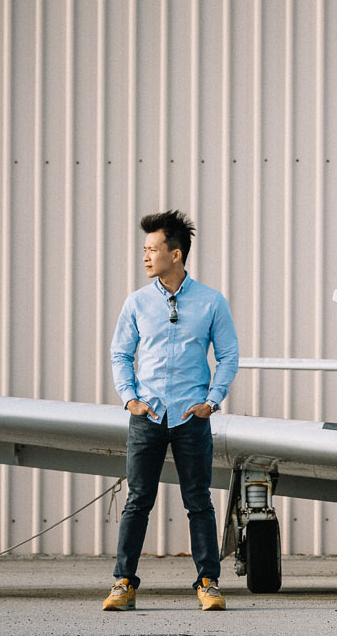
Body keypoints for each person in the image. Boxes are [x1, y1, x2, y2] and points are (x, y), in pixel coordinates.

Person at [103, 210, 239, 611]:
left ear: (176, 254)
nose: (146, 256)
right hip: (147, 417)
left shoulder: (211, 302)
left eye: (153, 249)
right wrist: (130, 399)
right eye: (144, 249)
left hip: (190, 417)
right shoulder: (137, 302)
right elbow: (120, 353)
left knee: (199, 501)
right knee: (137, 500)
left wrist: (212, 401)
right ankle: (123, 584)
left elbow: (228, 355)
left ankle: (209, 583)